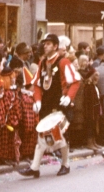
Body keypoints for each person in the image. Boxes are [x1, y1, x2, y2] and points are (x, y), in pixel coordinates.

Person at [18, 33, 80, 177]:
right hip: (47, 104)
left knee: (61, 135)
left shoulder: (63, 62)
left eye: (48, 44)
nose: (45, 46)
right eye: (44, 43)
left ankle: (66, 164)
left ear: (56, 46)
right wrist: (38, 101)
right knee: (41, 134)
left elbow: (76, 81)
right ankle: (34, 167)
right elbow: (37, 84)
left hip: (61, 103)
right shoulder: (43, 62)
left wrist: (69, 98)